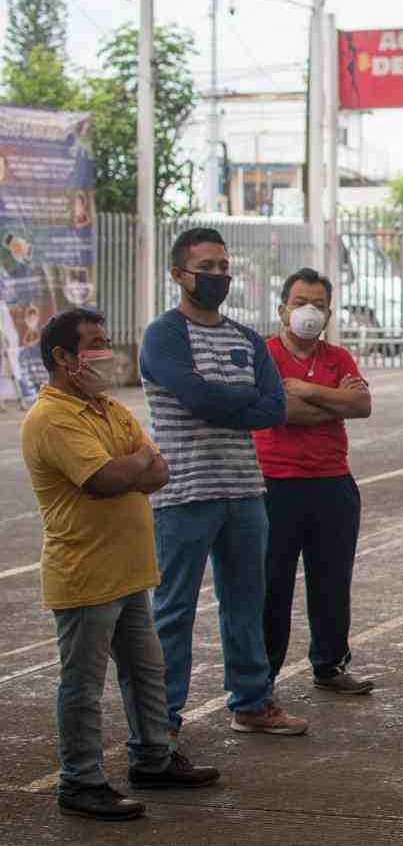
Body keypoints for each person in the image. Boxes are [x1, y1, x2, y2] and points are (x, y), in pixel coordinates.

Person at [21, 309, 220, 822]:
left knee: (145, 672)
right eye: (94, 344)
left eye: (106, 342)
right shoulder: (52, 417)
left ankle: (153, 758)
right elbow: (106, 479)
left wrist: (128, 468)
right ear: (62, 357)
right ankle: (81, 781)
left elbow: (161, 470)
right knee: (82, 686)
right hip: (85, 574)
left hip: (130, 570)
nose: (105, 353)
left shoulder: (108, 408)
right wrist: (131, 466)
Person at [139, 227, 307, 739]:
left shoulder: (246, 338)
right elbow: (196, 397)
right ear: (178, 275)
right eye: (205, 267)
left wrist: (221, 398)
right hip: (184, 493)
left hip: (243, 490)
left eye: (222, 266)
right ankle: (160, 720)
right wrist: (238, 398)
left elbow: (274, 408)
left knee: (245, 603)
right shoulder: (164, 335)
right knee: (173, 610)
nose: (217, 276)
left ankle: (252, 702)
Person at [252, 268, 374, 696]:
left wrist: (303, 389)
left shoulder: (338, 357)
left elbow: (362, 404)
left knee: (332, 580)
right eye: (301, 303)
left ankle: (330, 664)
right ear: (282, 309)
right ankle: (262, 675)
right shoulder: (261, 355)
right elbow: (281, 411)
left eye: (319, 305)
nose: (309, 312)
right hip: (274, 485)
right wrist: (332, 401)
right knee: (272, 584)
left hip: (333, 484)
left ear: (329, 312)